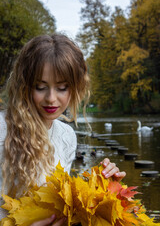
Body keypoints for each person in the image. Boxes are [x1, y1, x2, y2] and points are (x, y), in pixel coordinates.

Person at [0, 34, 126, 225]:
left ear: (75, 88)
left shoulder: (67, 136)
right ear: (24, 86)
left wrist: (102, 188)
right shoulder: (2, 131)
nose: (51, 98)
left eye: (61, 88)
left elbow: (61, 206)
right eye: (40, 87)